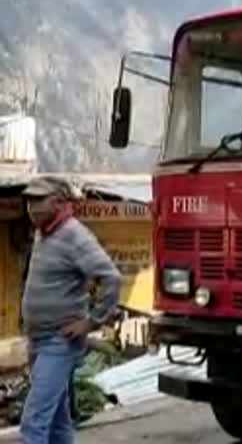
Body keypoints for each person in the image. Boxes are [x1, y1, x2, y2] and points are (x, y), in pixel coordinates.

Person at [19, 176, 121, 444]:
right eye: (29, 201)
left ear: (59, 202)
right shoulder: (44, 232)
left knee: (34, 421)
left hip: (59, 340)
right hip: (38, 339)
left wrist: (92, 322)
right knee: (57, 420)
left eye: (38, 201)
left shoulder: (74, 235)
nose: (31, 208)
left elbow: (111, 277)